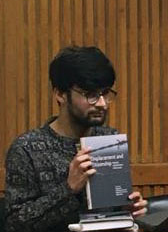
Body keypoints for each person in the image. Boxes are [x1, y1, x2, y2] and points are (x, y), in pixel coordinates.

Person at [4, 46, 147, 232]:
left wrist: (127, 209)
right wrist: (68, 189)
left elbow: (111, 212)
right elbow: (14, 224)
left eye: (105, 93)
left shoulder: (109, 139)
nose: (102, 104)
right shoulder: (26, 149)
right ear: (60, 94)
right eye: (91, 95)